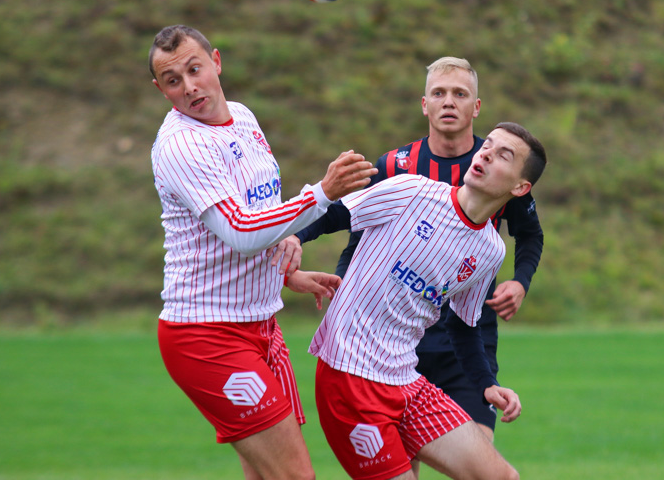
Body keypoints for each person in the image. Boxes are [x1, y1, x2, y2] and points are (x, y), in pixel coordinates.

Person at [279, 57, 544, 469]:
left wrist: (487, 385)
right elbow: (337, 215)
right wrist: (293, 235)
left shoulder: (491, 250)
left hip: (407, 379)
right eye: (488, 146)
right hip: (352, 377)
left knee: (501, 475)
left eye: (503, 155)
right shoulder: (407, 186)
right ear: (425, 104)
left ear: (520, 186)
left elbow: (463, 325)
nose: (487, 154)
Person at [148, 24, 377, 480]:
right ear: (161, 89)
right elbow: (240, 231)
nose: (190, 87)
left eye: (195, 69)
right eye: (174, 80)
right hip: (206, 338)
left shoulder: (243, 117)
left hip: (259, 325)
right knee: (295, 476)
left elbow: (258, 216)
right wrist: (323, 192)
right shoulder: (181, 146)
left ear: (216, 62)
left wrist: (285, 275)